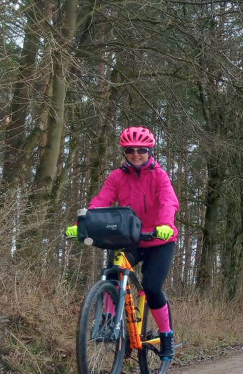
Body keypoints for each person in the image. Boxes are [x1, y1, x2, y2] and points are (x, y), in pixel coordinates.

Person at [66, 126, 180, 361]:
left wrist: (166, 224)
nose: (135, 154)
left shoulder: (160, 175)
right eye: (130, 150)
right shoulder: (117, 176)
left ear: (149, 151)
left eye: (141, 150)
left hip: (160, 240)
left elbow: (169, 201)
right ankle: (110, 323)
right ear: (124, 152)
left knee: (151, 287)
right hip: (130, 239)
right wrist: (84, 224)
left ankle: (166, 334)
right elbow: (101, 201)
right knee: (113, 275)